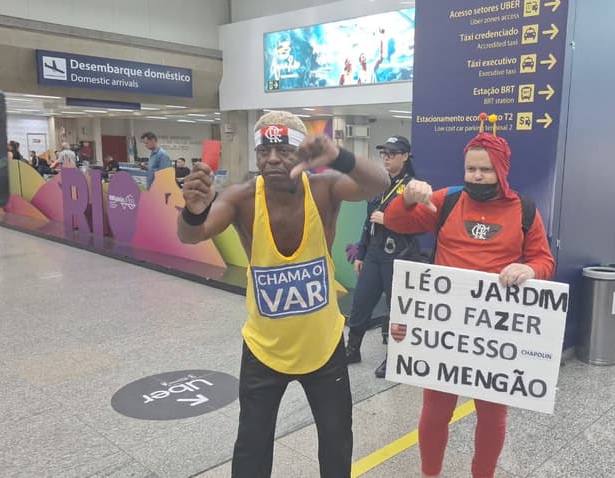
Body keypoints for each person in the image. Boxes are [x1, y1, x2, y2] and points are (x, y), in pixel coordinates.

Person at [177, 111, 389, 477]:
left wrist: (339, 156)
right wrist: (194, 212)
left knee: (337, 442)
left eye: (283, 150)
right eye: (264, 151)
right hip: (264, 349)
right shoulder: (242, 197)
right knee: (251, 447)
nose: (272, 159)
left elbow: (379, 183)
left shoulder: (324, 188)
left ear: (302, 153)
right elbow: (192, 235)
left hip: (322, 347)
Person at [383, 120, 555, 478]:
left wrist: (529, 270)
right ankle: (429, 473)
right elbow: (398, 222)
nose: (477, 176)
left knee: (492, 417)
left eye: (486, 170)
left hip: (495, 333)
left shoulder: (524, 210)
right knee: (435, 412)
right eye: (471, 169)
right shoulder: (447, 200)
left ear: (501, 170)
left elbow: (544, 260)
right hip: (444, 329)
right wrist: (407, 198)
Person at [344, 135, 419, 378]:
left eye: (392, 154)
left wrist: (390, 220)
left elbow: (420, 224)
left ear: (405, 156)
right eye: (384, 154)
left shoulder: (413, 187)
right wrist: (361, 253)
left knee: (397, 307)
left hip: (399, 253)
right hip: (374, 252)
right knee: (361, 301)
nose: (386, 158)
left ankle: (395, 356)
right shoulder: (379, 183)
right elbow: (368, 223)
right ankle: (352, 349)